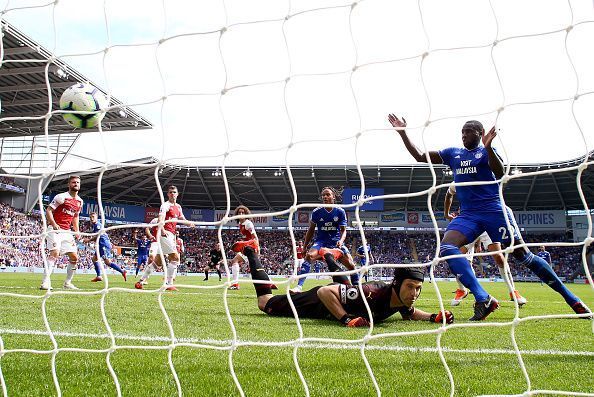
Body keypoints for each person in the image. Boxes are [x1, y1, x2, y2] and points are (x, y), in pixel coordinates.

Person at [389, 114, 591, 320]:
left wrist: (488, 147)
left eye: (469, 132)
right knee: (447, 248)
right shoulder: (453, 154)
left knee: (524, 256)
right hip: (468, 215)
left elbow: (500, 171)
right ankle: (483, 298)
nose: (464, 135)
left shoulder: (485, 152)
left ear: (480, 133)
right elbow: (420, 156)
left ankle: (572, 299)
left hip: (494, 210)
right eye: (462, 132)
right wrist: (403, 133)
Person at [239, 241, 453, 326]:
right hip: (316, 302)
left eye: (418, 288)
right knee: (265, 303)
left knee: (347, 286)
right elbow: (324, 291)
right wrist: (346, 318)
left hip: (346, 296)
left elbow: (409, 312)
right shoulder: (373, 293)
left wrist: (434, 317)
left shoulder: (401, 299)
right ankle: (250, 251)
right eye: (410, 287)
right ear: (396, 284)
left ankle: (329, 256)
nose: (414, 293)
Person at [444, 184, 527, 306]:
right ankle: (462, 290)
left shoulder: (486, 177)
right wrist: (446, 214)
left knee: (498, 257)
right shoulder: (460, 177)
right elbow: (449, 195)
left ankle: (513, 291)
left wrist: (478, 243)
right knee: (456, 257)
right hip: (468, 222)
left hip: (487, 222)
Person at [290, 187, 356, 293]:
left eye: (328, 195)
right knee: (309, 256)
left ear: (333, 197)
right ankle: (299, 287)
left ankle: (356, 288)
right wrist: (305, 247)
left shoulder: (340, 211)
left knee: (352, 265)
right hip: (321, 242)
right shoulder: (317, 212)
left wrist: (341, 241)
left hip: (336, 243)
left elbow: (344, 231)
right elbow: (310, 230)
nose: (325, 197)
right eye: (323, 195)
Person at [135, 185, 190, 291]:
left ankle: (140, 281)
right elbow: (161, 218)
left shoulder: (178, 207)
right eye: (170, 192)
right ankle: (169, 284)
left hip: (171, 235)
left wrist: (189, 223)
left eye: (174, 192)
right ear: (167, 194)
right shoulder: (165, 205)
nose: (172, 194)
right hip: (166, 233)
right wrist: (163, 229)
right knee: (175, 258)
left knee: (158, 262)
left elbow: (182, 218)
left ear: (177, 194)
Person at [41, 175, 83, 290]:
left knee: (74, 257)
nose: (76, 184)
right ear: (69, 184)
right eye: (73, 182)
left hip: (67, 231)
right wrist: (54, 224)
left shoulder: (80, 201)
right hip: (55, 230)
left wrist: (77, 230)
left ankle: (68, 283)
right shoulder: (61, 197)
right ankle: (45, 282)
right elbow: (49, 210)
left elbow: (75, 217)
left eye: (78, 182)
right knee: (55, 253)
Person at [87, 212, 127, 282]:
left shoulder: (98, 225)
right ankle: (99, 276)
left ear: (97, 217)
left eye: (93, 217)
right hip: (101, 244)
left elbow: (98, 236)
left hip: (103, 245)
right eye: (90, 217)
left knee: (107, 262)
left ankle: (122, 271)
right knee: (94, 259)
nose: (92, 218)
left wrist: (88, 240)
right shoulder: (95, 225)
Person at [229, 205, 258, 290]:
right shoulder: (240, 223)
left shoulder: (248, 224)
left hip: (251, 247)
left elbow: (255, 238)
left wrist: (243, 243)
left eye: (243, 212)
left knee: (235, 260)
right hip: (247, 247)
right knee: (255, 266)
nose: (241, 214)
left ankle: (235, 284)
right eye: (239, 212)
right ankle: (270, 283)